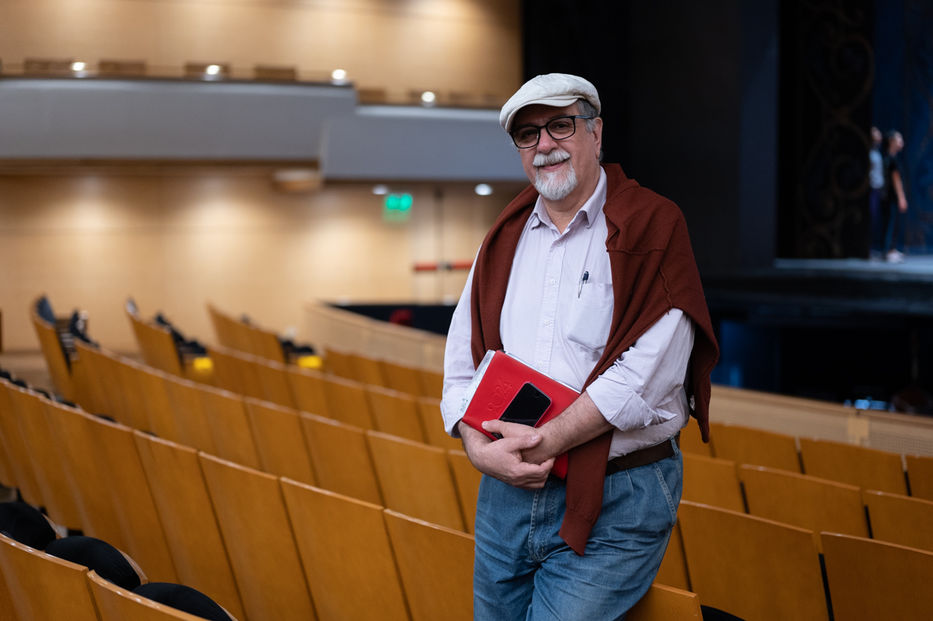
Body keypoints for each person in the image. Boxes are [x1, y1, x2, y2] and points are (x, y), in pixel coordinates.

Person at [440, 73, 719, 619]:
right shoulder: (503, 235)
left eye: (560, 125)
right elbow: (461, 361)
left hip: (620, 494)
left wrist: (543, 444)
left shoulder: (654, 224)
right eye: (527, 134)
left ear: (595, 132)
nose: (544, 145)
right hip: (506, 492)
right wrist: (477, 447)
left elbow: (645, 377)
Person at [881, 130, 908, 263]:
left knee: (891, 223)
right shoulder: (891, 160)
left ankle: (891, 250)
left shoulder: (888, 158)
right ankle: (888, 251)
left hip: (887, 196)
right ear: (891, 142)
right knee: (890, 224)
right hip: (891, 197)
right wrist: (902, 198)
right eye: (899, 139)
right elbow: (896, 180)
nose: (901, 142)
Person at [868, 127, 885, 259]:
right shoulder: (869, 153)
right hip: (871, 188)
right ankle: (867, 248)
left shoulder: (876, 152)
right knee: (871, 218)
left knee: (876, 219)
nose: (879, 136)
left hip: (878, 188)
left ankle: (872, 247)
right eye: (876, 134)